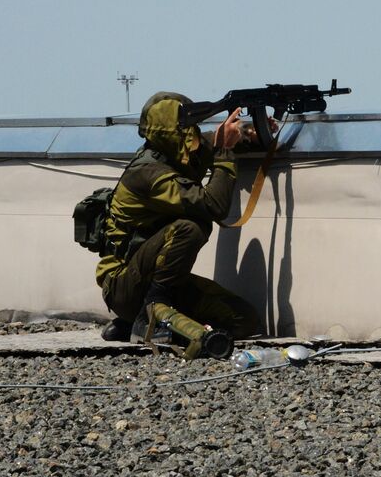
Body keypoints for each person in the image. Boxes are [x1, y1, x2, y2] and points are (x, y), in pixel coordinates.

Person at [96, 92, 263, 359]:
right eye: (186, 129)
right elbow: (214, 205)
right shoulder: (149, 174)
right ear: (171, 134)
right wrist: (225, 152)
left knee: (243, 319)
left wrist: (249, 130)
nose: (193, 136)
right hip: (124, 286)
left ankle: (136, 322)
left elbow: (210, 141)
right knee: (190, 227)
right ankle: (151, 311)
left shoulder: (172, 153)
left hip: (159, 280)